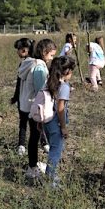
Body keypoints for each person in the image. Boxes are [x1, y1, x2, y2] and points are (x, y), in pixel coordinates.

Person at [19, 38, 56, 178]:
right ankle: (32, 167)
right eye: (51, 55)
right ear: (44, 52)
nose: (51, 58)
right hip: (34, 107)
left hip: (26, 105)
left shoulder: (29, 62)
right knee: (35, 137)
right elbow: (41, 90)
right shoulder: (39, 66)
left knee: (34, 137)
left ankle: (32, 165)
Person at [42, 55, 76, 188]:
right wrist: (63, 127)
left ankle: (51, 176)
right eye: (71, 71)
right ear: (66, 71)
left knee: (52, 149)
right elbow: (60, 108)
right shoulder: (64, 87)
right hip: (56, 123)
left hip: (46, 121)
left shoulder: (49, 81)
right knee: (55, 152)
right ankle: (50, 180)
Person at [10, 38, 34, 156]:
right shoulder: (39, 62)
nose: (17, 52)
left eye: (18, 50)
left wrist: (15, 97)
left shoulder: (23, 64)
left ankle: (21, 145)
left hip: (22, 99)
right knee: (37, 124)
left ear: (24, 50)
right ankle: (45, 144)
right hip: (34, 99)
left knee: (23, 123)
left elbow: (19, 83)